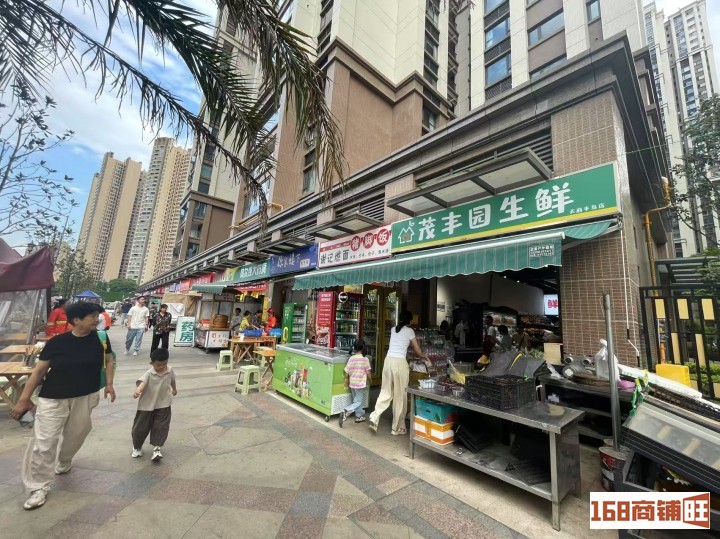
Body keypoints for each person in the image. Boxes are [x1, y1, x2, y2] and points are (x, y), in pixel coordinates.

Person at [10, 302, 116, 510]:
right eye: (92, 316)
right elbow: (39, 371)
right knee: (44, 442)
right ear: (76, 320)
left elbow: (109, 360)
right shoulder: (57, 343)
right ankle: (38, 486)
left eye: (97, 315)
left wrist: (110, 384)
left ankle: (64, 460)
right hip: (53, 398)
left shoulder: (101, 338)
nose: (97, 319)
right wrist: (24, 398)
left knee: (77, 434)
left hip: (85, 396)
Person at [368, 311, 427, 436]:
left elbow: (397, 345)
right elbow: (417, 350)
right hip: (400, 363)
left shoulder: (393, 329)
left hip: (388, 361)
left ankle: (375, 416)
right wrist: (423, 356)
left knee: (385, 391)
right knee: (400, 396)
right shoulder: (410, 331)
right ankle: (397, 428)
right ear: (409, 320)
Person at [131, 348, 176, 461]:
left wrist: (174, 389)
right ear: (151, 363)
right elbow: (143, 383)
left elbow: (172, 380)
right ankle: (137, 447)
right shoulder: (149, 373)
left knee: (161, 427)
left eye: (164, 364)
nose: (162, 367)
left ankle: (157, 449)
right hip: (147, 405)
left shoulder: (170, 370)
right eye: (158, 365)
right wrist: (138, 391)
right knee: (140, 428)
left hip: (164, 404)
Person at [339, 339, 372, 428]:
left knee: (356, 400)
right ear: (363, 348)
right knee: (358, 401)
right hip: (360, 384)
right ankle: (346, 411)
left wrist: (346, 379)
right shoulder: (365, 359)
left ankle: (359, 416)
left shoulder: (351, 358)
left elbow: (347, 371)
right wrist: (370, 380)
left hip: (352, 383)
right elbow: (368, 372)